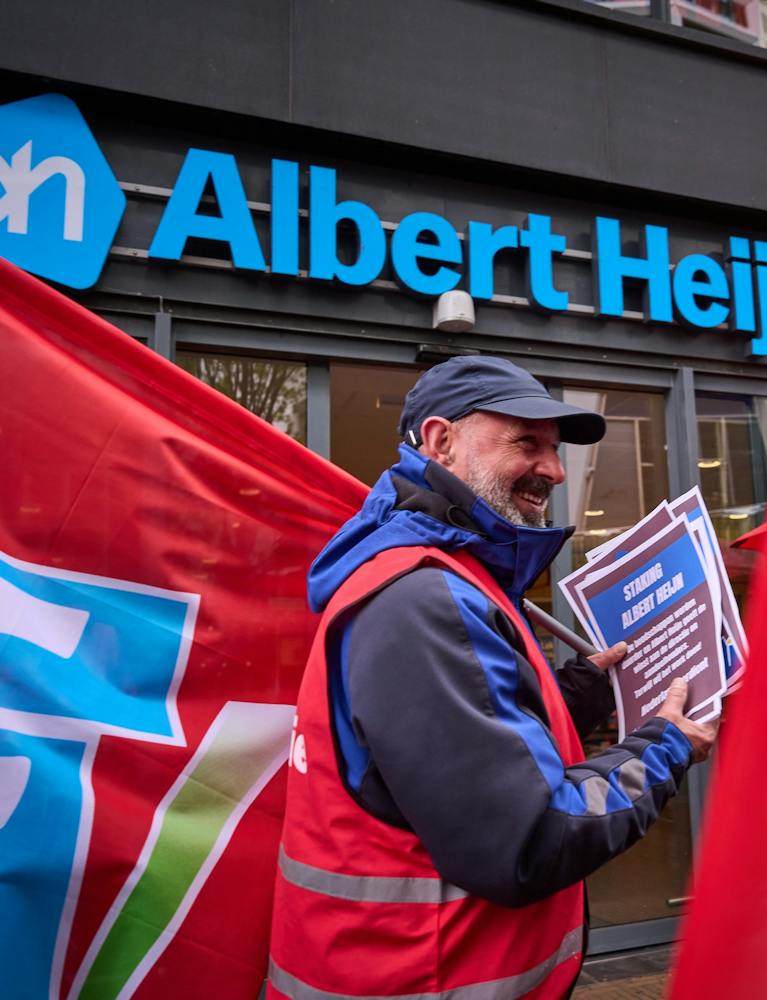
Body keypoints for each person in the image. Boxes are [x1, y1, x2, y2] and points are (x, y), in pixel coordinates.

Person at [267, 355, 718, 1000]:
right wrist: (666, 747)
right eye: (526, 442)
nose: (555, 471)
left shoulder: (446, 576)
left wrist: (584, 687)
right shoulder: (424, 598)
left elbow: (476, 739)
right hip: (426, 981)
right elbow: (529, 839)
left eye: (556, 450)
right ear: (440, 441)